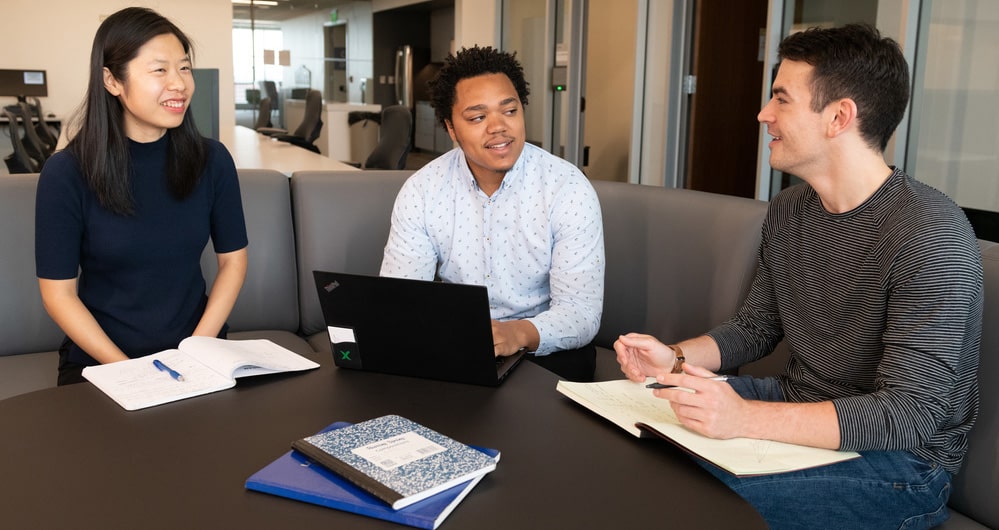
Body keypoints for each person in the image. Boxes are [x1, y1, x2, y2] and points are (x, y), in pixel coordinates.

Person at [615, 24, 982, 529]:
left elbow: (907, 413)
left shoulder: (929, 230)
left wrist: (743, 419)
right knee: (624, 437)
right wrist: (674, 358)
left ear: (839, 117)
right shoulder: (791, 209)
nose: (763, 114)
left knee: (685, 498)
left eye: (781, 99)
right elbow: (755, 328)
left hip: (901, 464)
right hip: (795, 406)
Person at [35, 7, 248, 386]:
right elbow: (58, 294)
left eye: (184, 68)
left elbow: (233, 263)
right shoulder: (66, 173)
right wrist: (131, 372)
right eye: (159, 70)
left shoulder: (212, 160)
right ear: (112, 81)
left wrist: (195, 352)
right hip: (104, 362)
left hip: (197, 354)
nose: (179, 84)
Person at [380, 46, 605, 382]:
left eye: (509, 111)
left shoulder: (567, 189)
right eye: (477, 117)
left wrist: (517, 334)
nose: (498, 127)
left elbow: (582, 314)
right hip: (457, 346)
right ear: (451, 128)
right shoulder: (423, 190)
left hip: (544, 353)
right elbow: (401, 300)